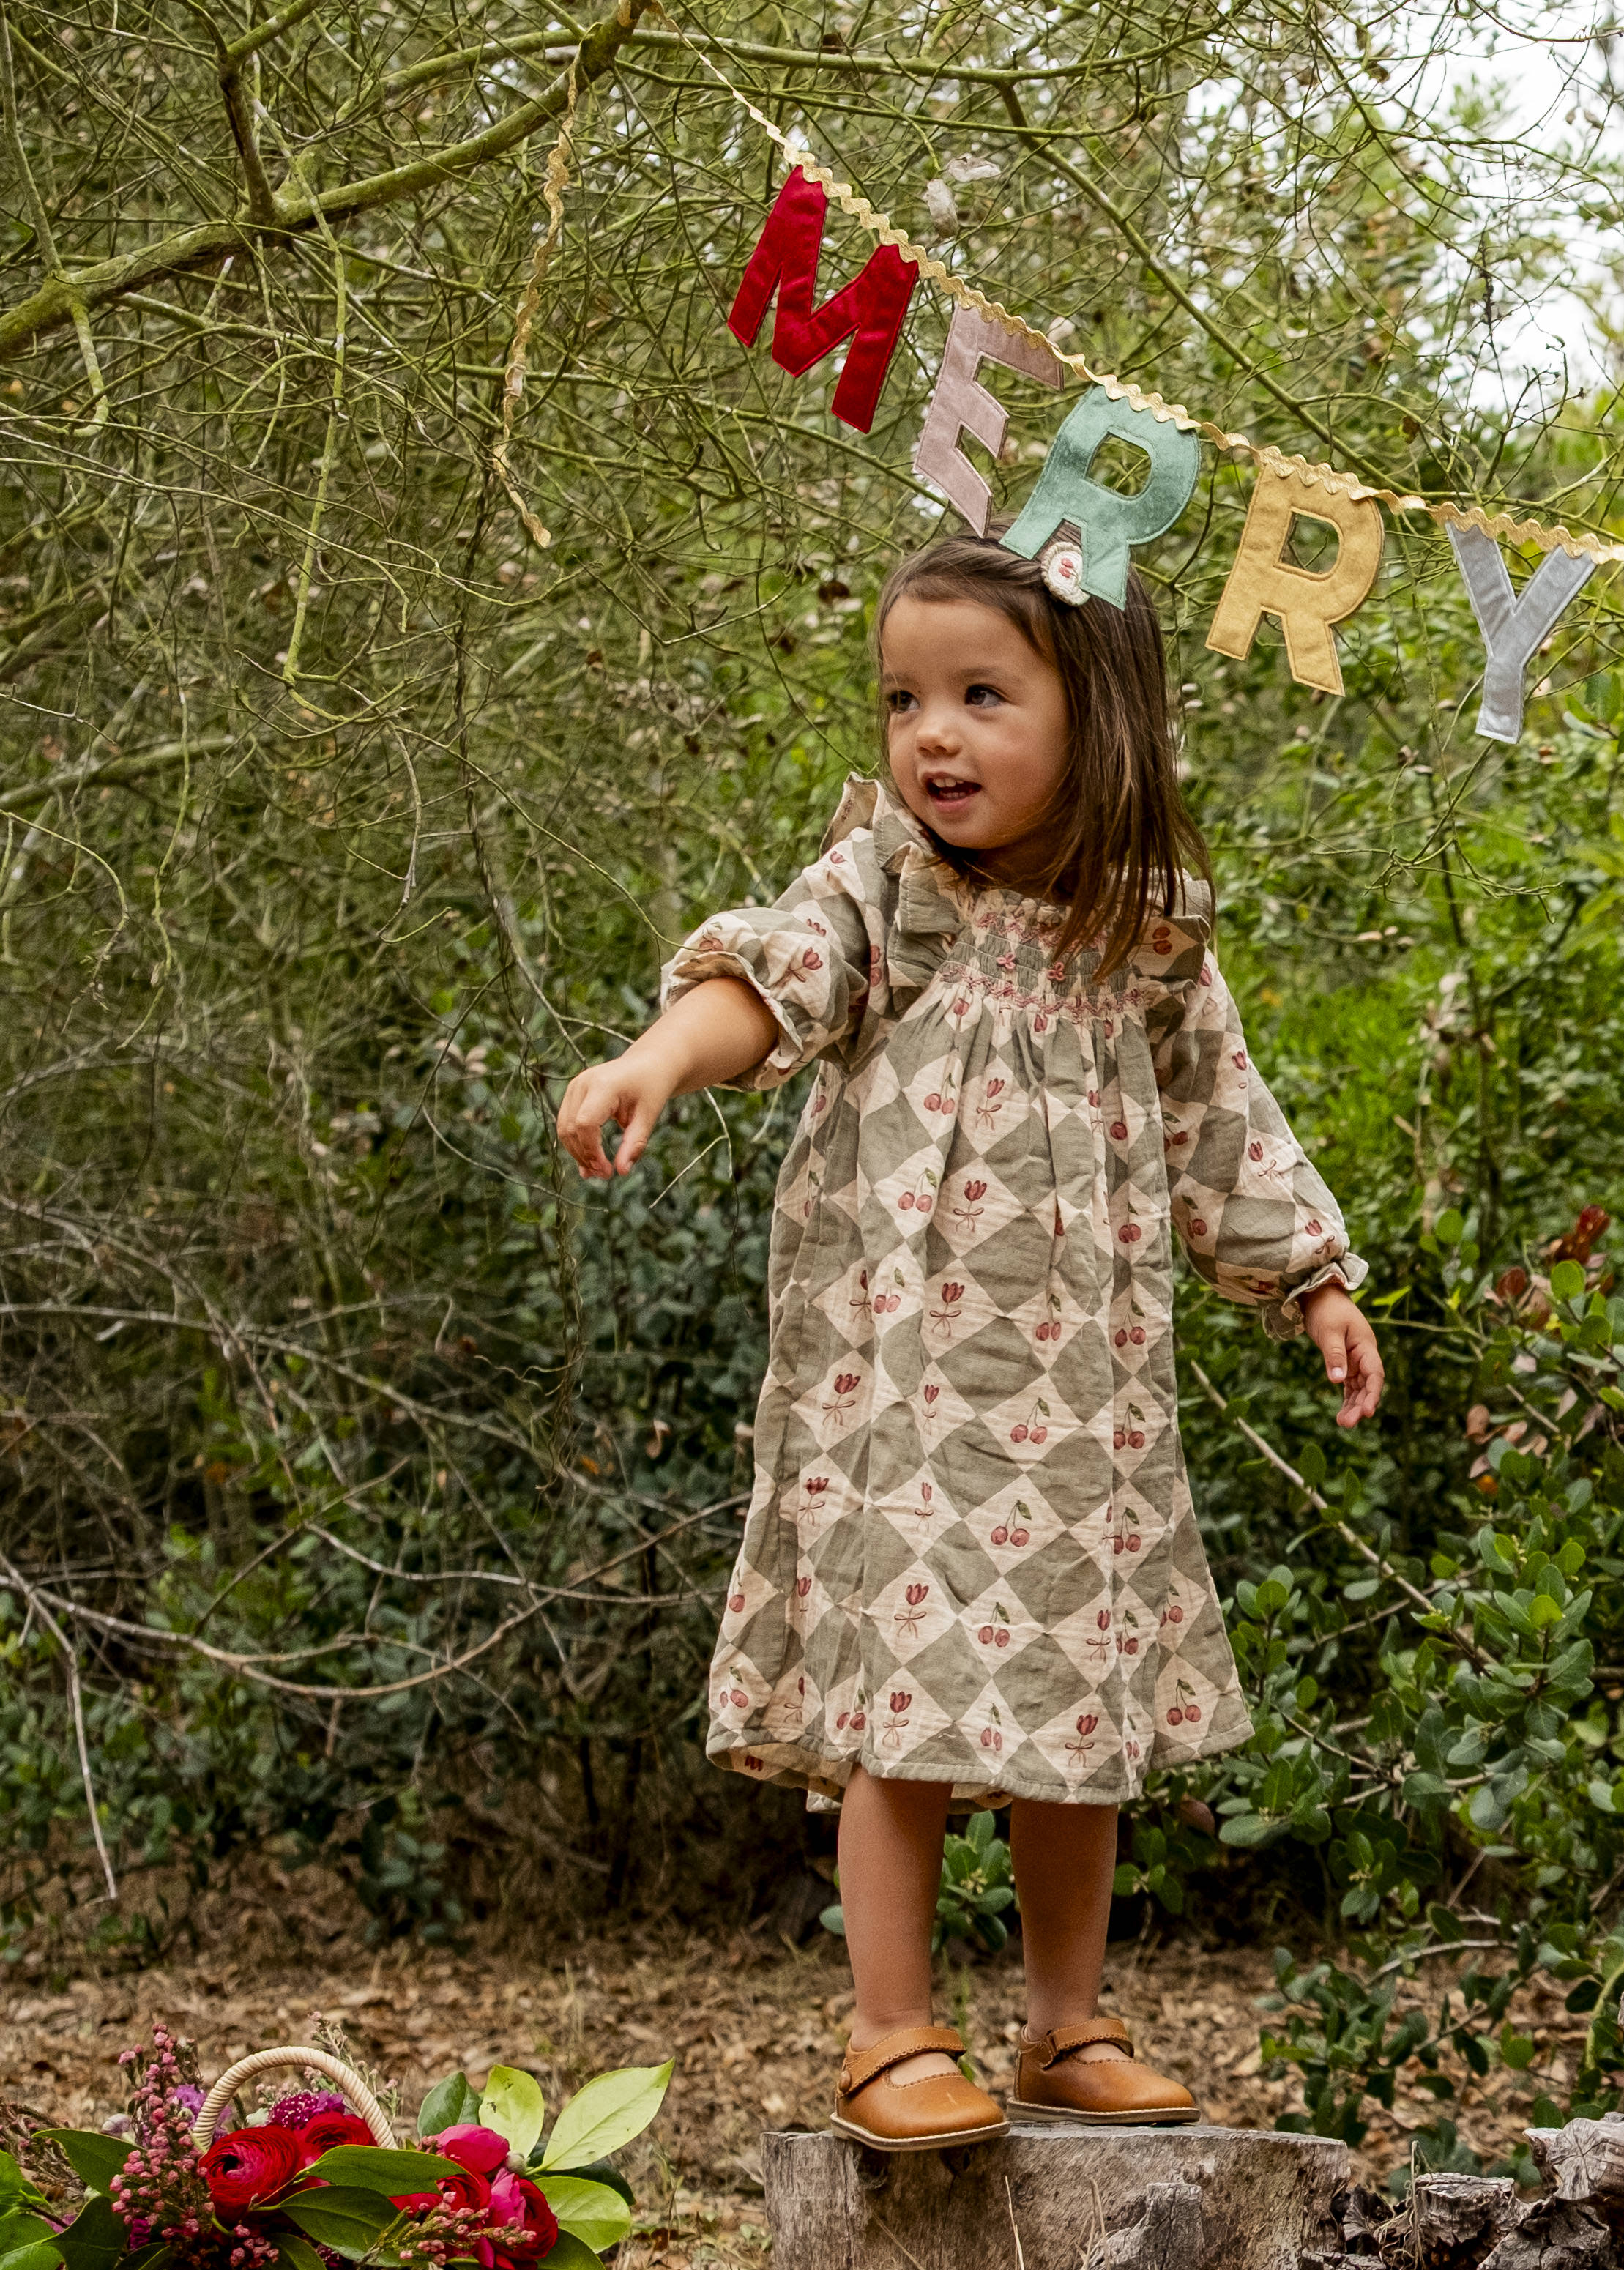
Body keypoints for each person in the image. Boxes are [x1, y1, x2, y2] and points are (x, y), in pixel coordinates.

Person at [557, 527, 1382, 2152]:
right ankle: (887, 2027)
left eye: (980, 695)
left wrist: (1312, 1281)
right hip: (903, 1391)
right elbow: (773, 978)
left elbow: (1224, 1118)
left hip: (1085, 1405)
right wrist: (658, 1058)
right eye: (902, 699)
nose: (929, 734)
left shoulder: (1142, 934)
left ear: (1098, 716)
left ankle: (1068, 2021)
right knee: (910, 1690)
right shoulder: (890, 891)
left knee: (1076, 1706)